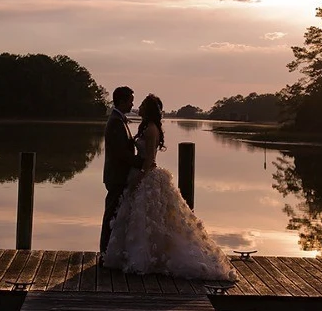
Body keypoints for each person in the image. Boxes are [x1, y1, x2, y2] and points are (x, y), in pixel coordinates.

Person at [103, 93, 237, 281]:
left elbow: (149, 160)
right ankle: (131, 254)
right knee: (141, 219)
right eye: (135, 102)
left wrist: (138, 178)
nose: (137, 107)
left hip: (146, 177)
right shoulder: (142, 127)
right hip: (139, 175)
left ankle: (148, 258)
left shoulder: (150, 129)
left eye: (141, 105)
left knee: (150, 219)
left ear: (147, 110)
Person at [101, 86, 142, 255]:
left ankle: (111, 251)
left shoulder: (120, 119)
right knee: (111, 214)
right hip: (116, 176)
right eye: (130, 100)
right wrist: (141, 162)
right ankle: (105, 252)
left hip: (120, 175)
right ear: (122, 101)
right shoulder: (116, 122)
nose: (132, 104)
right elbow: (121, 153)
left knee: (116, 214)